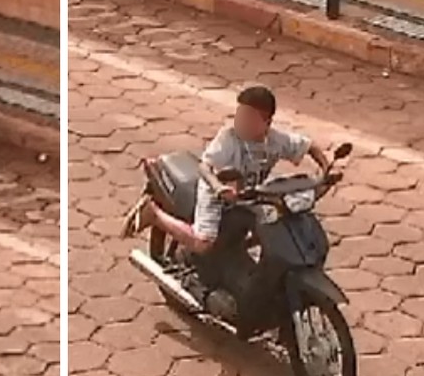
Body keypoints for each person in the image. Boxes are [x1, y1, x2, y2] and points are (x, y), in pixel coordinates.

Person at [122, 85, 329, 254]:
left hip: (249, 191)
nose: (240, 121)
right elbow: (205, 167)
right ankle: (153, 214)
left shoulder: (275, 140)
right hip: (215, 192)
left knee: (276, 222)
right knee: (204, 244)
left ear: (266, 122)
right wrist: (218, 187)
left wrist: (326, 167)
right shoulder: (228, 139)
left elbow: (308, 146)